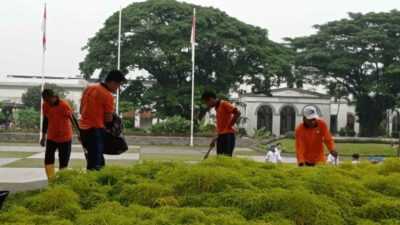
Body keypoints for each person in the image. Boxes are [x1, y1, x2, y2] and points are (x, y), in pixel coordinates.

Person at [79, 70, 126, 170]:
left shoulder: (89, 88)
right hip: (95, 131)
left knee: (92, 159)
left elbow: (81, 110)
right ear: (113, 82)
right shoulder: (107, 95)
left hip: (83, 130)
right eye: (118, 85)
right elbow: (108, 119)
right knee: (97, 164)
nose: (118, 88)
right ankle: (93, 184)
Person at [40, 89, 73, 179]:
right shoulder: (45, 105)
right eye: (45, 100)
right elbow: (45, 121)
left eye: (48, 100)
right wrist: (43, 137)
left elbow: (73, 120)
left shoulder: (64, 105)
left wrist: (80, 135)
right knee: (48, 160)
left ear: (54, 97)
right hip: (51, 137)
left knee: (63, 161)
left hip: (65, 138)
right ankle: (51, 180)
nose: (47, 102)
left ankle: (62, 181)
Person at [201, 91, 241, 157]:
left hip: (228, 136)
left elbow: (237, 113)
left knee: (226, 158)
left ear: (211, 99)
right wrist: (214, 139)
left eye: (206, 102)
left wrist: (230, 125)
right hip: (221, 136)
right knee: (219, 158)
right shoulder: (217, 108)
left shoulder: (224, 104)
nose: (207, 105)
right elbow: (220, 126)